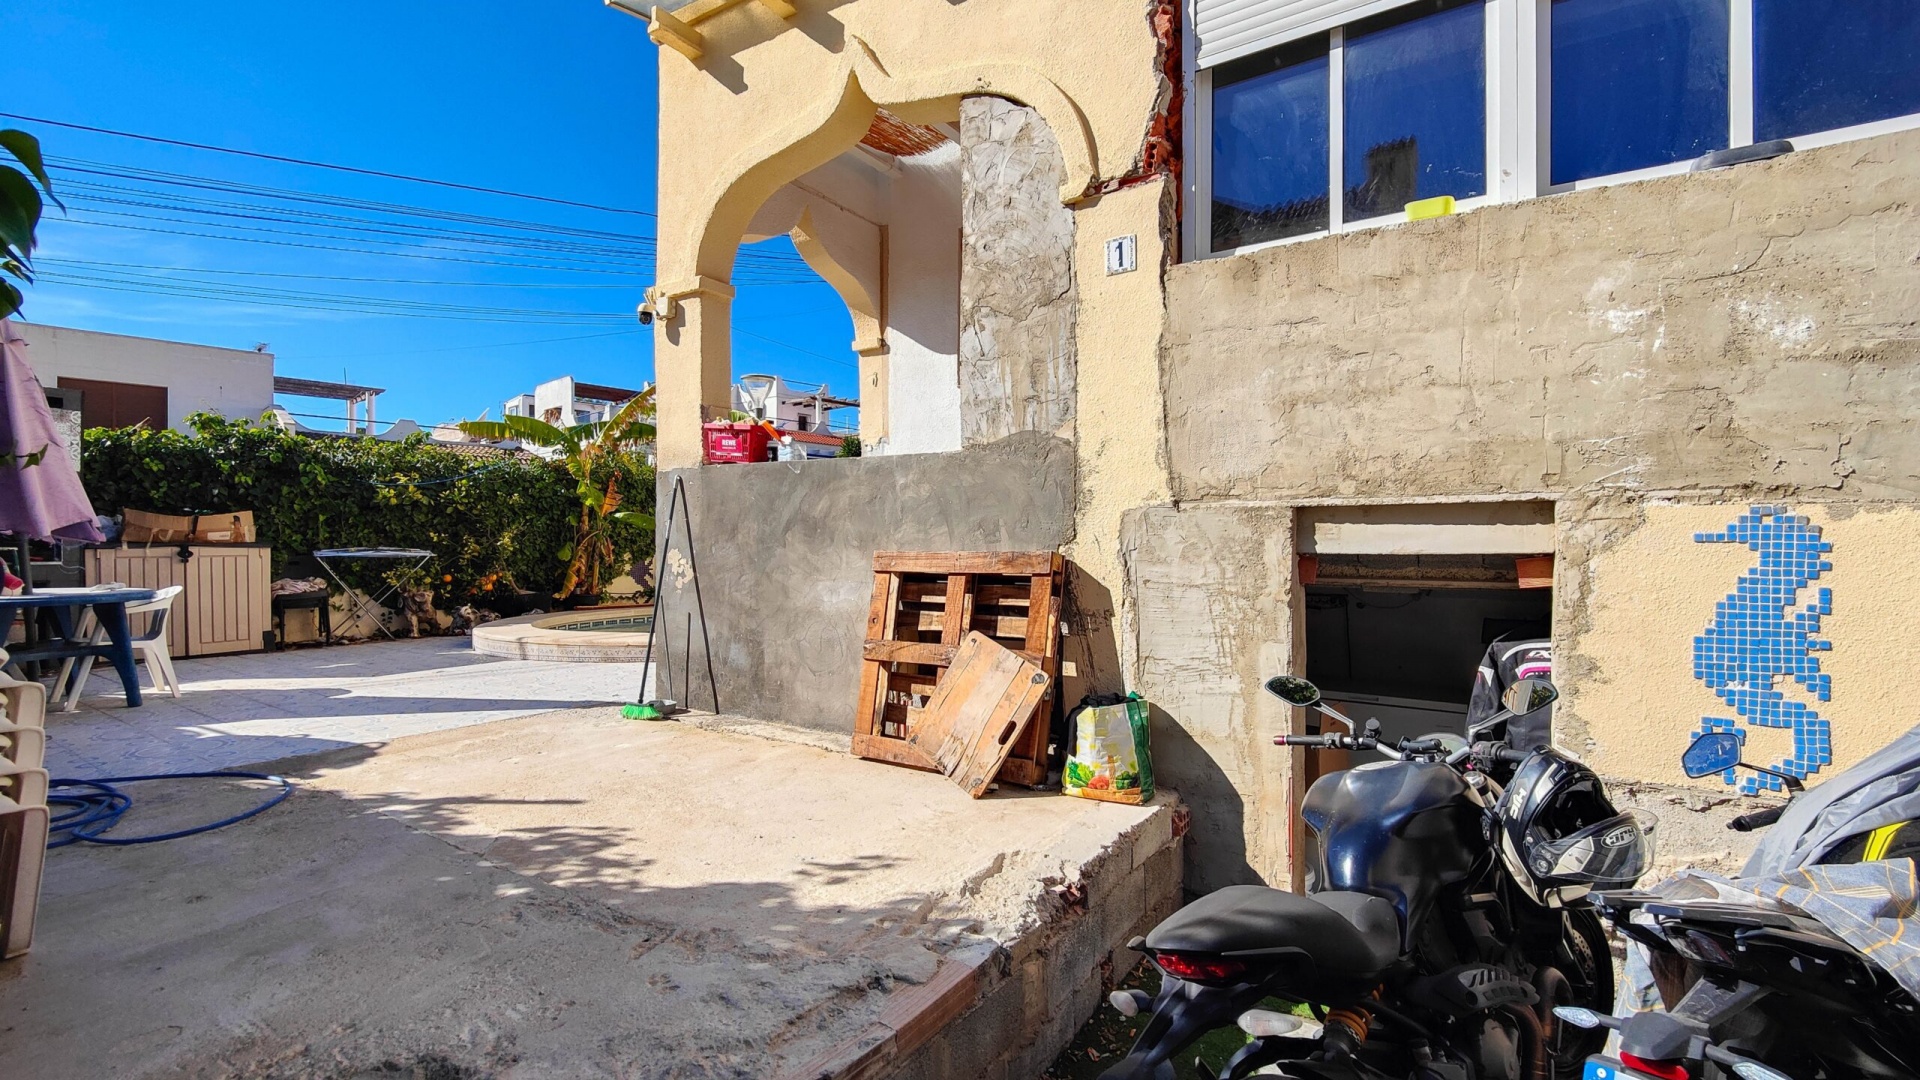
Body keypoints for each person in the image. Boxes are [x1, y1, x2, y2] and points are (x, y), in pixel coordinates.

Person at [1467, 630, 1553, 751]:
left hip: (1526, 758)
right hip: (1580, 756)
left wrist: (1480, 754)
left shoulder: (1504, 646)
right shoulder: (1583, 643)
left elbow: (1480, 718)